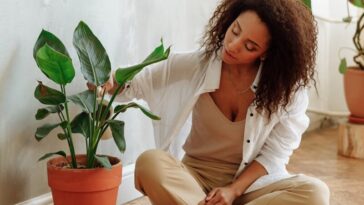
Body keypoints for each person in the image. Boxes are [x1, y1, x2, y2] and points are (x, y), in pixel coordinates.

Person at [101, 0, 330, 204]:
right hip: (194, 180)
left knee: (315, 193)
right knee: (149, 162)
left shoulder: (286, 91)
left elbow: (275, 155)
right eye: (235, 31)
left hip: (252, 187)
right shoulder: (198, 65)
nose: (232, 45)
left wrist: (233, 191)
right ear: (229, 21)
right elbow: (141, 82)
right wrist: (108, 81)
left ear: (266, 54)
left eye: (250, 46)